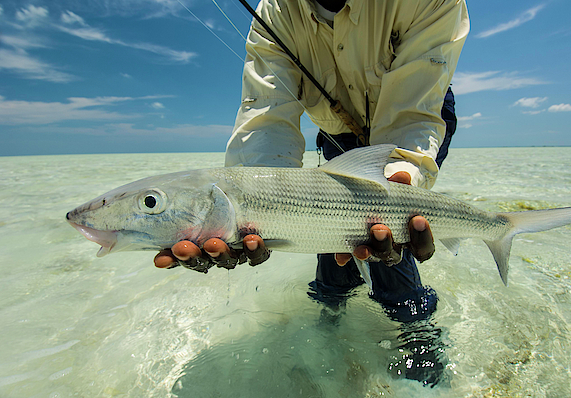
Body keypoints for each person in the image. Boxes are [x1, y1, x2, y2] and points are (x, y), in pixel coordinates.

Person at [154, 0, 469, 386]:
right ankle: (331, 313)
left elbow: (413, 112)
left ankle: (416, 333)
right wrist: (253, 211)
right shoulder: (275, 12)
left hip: (417, 118)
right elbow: (265, 120)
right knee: (324, 222)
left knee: (386, 238)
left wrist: (398, 182)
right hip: (337, 129)